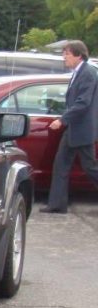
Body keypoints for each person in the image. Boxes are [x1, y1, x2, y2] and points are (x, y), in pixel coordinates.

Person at [41, 40, 98, 213]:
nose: (63, 57)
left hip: (81, 129)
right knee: (61, 164)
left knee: (90, 167)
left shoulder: (88, 73)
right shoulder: (78, 72)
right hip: (74, 129)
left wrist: (63, 119)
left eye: (66, 53)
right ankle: (57, 204)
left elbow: (83, 103)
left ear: (78, 55)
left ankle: (56, 204)